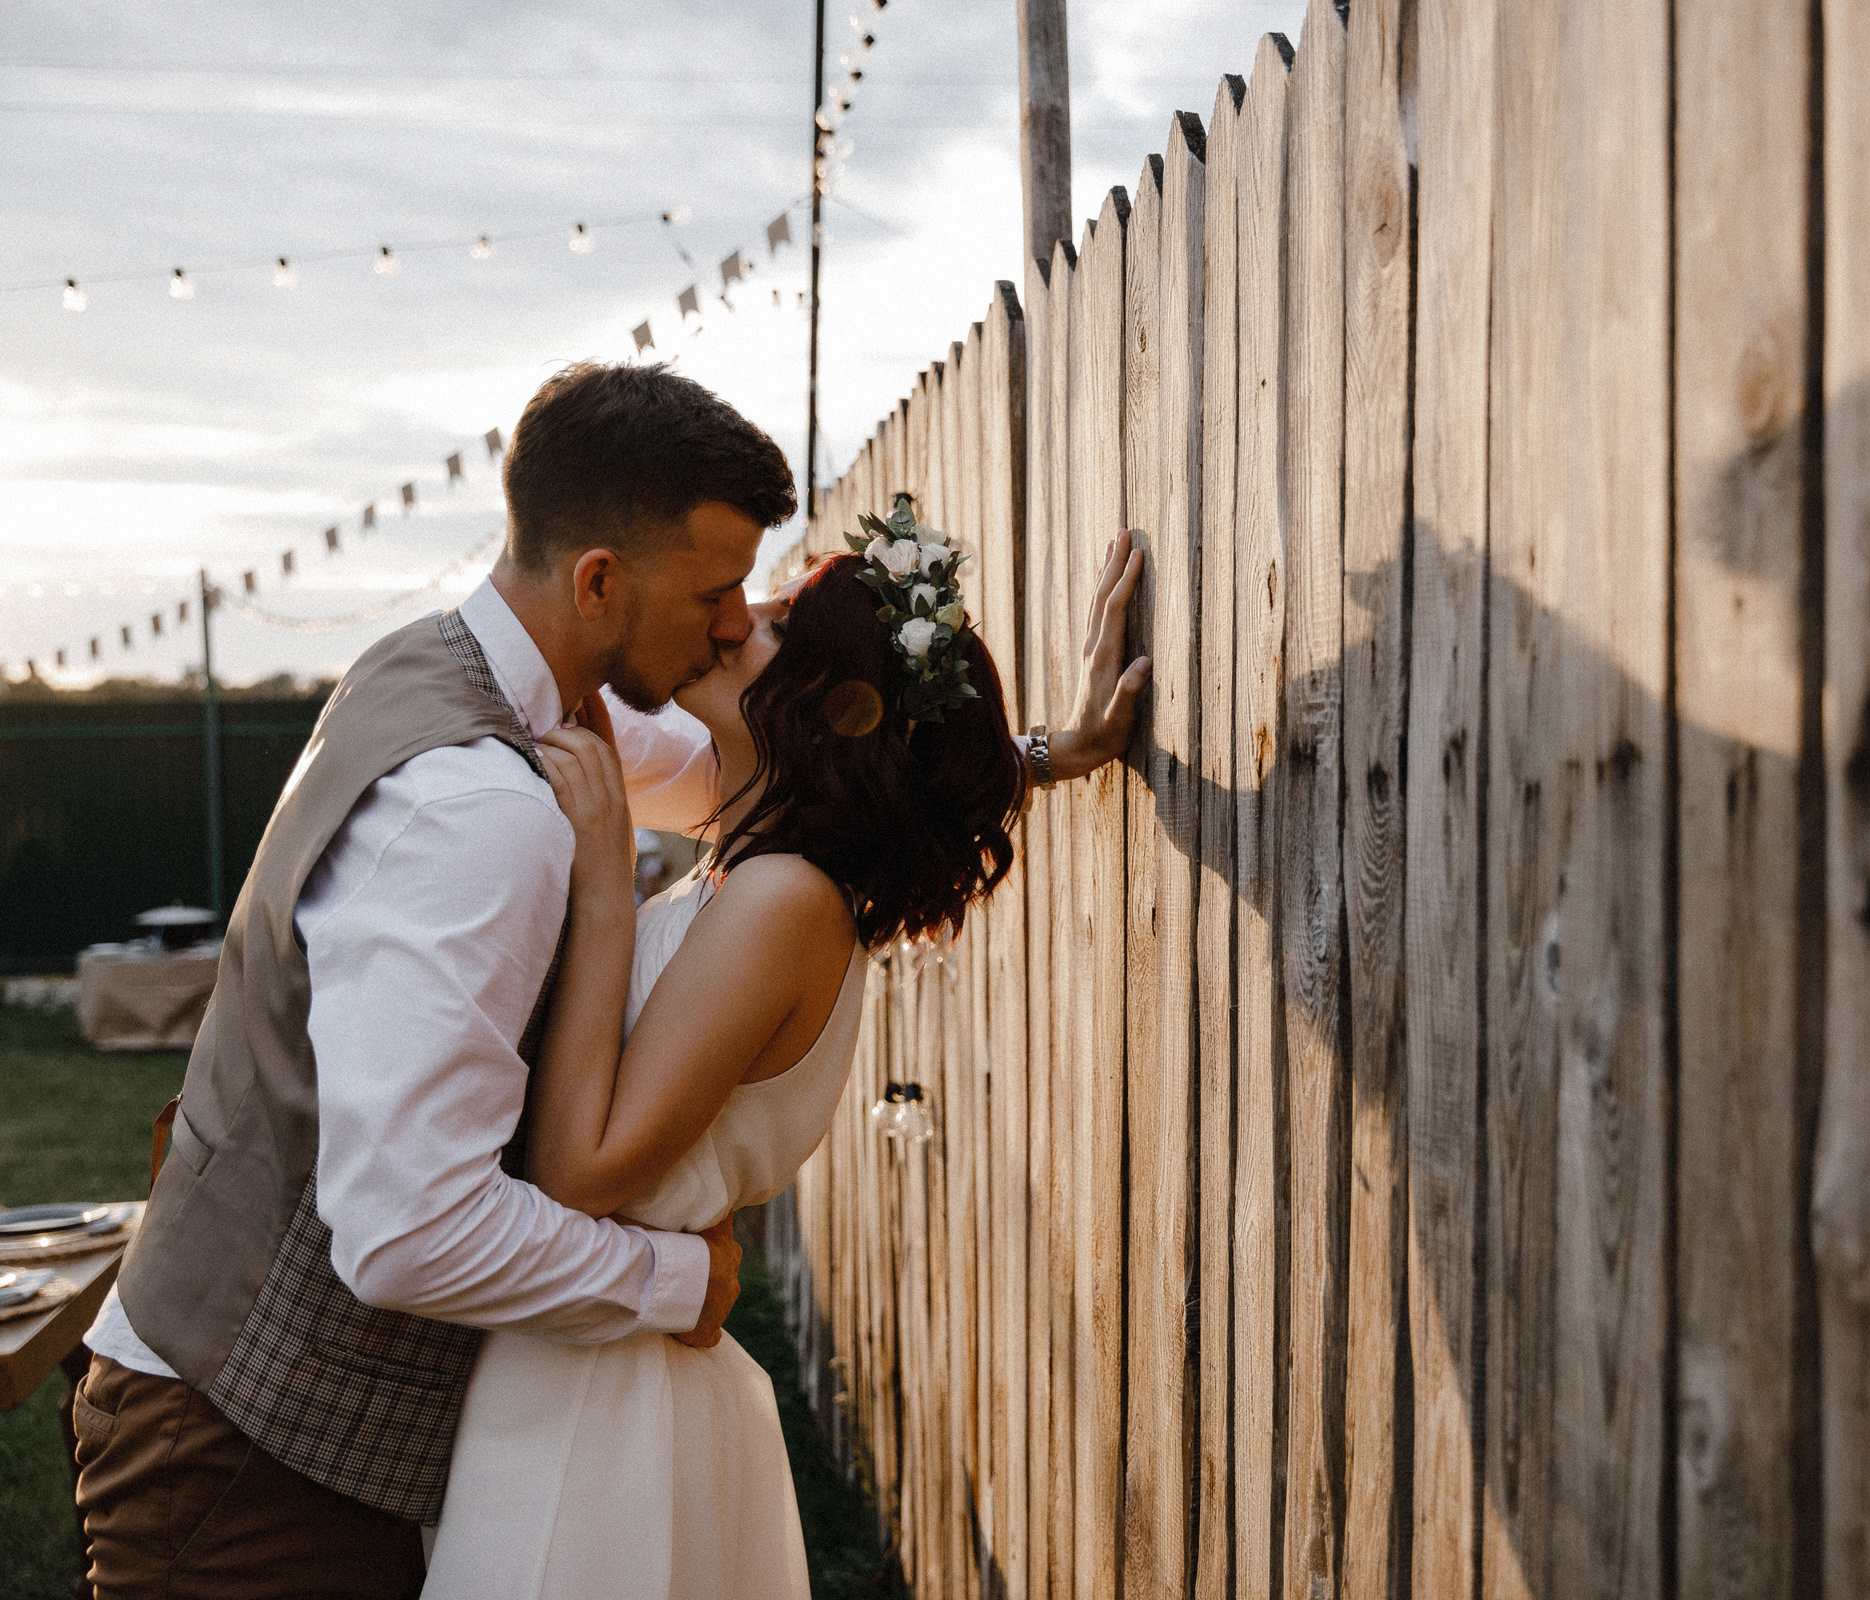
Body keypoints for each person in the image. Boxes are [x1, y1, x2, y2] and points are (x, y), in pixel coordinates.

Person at [70, 362, 1145, 1597]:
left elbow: (818, 784)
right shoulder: (479, 800)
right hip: (249, 1450)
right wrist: (677, 1278)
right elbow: (414, 1231)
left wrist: (1036, 752)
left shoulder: (486, 689)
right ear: (599, 582)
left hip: (335, 1425)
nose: (736, 620)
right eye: (719, 590)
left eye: (756, 598)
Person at [421, 512, 1146, 1597]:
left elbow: (580, 1172)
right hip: (587, 1356)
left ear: (823, 712)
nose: (731, 620)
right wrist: (1046, 753)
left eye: (771, 628)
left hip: (602, 1410)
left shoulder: (784, 900)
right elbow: (887, 774)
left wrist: (607, 884)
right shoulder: (749, 845)